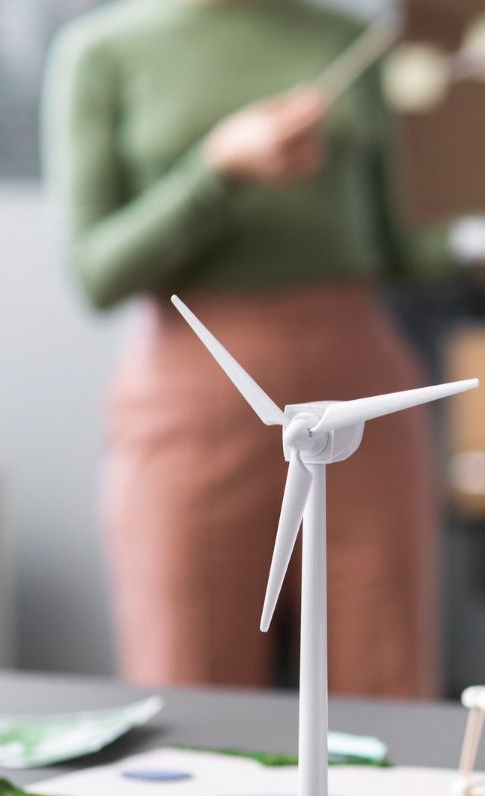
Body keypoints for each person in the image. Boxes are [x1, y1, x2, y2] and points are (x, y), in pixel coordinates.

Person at [43, 0, 448, 696]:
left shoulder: (353, 43)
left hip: (359, 385)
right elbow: (96, 273)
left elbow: (398, 246)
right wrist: (217, 171)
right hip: (192, 384)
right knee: (188, 674)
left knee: (384, 668)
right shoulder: (103, 51)